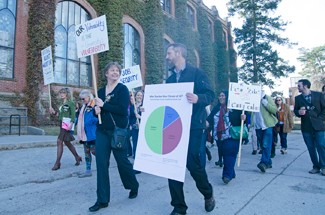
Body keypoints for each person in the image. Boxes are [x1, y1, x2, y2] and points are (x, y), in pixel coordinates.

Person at [165, 43, 215, 215]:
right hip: (173, 127)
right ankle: (179, 207)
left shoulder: (197, 73)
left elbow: (210, 95)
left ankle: (207, 193)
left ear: (178, 53)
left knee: (193, 163)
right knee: (172, 166)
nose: (167, 57)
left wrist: (197, 98)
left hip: (194, 127)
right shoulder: (170, 79)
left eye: (169, 53)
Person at [89, 62, 139, 212]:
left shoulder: (123, 89)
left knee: (122, 162)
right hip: (102, 132)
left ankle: (133, 185)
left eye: (117, 70)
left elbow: (123, 110)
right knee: (101, 164)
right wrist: (95, 110)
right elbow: (95, 110)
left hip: (118, 132)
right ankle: (102, 200)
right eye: (112, 70)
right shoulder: (100, 91)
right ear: (106, 73)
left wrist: (103, 105)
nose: (115, 72)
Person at [207, 91, 247, 184]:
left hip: (232, 136)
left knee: (229, 154)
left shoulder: (234, 108)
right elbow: (210, 119)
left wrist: (243, 118)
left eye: (223, 96)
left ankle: (227, 175)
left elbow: (242, 121)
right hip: (220, 137)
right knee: (225, 156)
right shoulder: (216, 108)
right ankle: (231, 172)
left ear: (227, 97)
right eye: (220, 95)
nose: (221, 97)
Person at [294, 79, 325, 175]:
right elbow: (295, 111)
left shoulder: (319, 95)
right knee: (311, 147)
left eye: (299, 85)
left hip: (319, 126)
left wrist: (320, 119)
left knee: (321, 145)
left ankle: (323, 166)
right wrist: (298, 112)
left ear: (305, 86)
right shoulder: (298, 98)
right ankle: (316, 166)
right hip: (306, 127)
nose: (298, 87)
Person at [49, 88, 82, 171]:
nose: (61, 94)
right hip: (61, 123)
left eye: (63, 93)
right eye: (60, 93)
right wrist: (53, 112)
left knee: (59, 141)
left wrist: (71, 124)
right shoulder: (61, 104)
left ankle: (57, 163)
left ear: (67, 94)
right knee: (67, 142)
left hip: (67, 124)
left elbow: (73, 115)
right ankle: (77, 157)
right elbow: (59, 115)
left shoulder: (71, 103)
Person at [252, 91, 278, 173]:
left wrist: (265, 103)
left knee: (266, 144)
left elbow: (274, 110)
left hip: (267, 125)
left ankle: (263, 163)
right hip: (258, 126)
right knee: (263, 145)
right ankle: (268, 162)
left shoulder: (267, 98)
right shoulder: (252, 99)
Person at [75, 90, 98, 178]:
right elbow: (79, 118)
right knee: (87, 153)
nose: (82, 100)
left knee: (95, 151)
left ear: (89, 97)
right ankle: (88, 170)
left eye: (83, 98)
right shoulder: (83, 107)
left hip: (92, 134)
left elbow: (98, 120)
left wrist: (94, 117)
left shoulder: (94, 106)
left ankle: (103, 165)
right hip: (84, 134)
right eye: (81, 99)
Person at [129, 90, 143, 160]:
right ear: (135, 96)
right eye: (138, 95)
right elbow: (130, 117)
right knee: (135, 143)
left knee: (141, 144)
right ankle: (135, 158)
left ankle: (141, 158)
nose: (139, 97)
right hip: (134, 128)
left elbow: (148, 116)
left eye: (141, 95)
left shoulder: (144, 106)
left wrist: (140, 117)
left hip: (142, 128)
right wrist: (131, 125)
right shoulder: (132, 106)